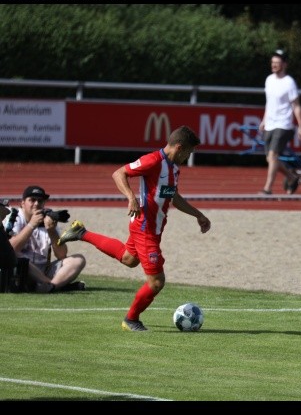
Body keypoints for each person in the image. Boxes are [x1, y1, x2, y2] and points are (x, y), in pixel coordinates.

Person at [58, 125, 212, 331]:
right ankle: (131, 319)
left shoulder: (174, 168)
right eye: (188, 152)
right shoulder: (153, 161)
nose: (188, 157)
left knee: (129, 259)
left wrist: (198, 215)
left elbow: (173, 197)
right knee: (157, 282)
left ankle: (81, 233)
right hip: (145, 228)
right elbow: (118, 173)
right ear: (179, 147)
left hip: (153, 229)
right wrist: (131, 197)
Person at [2, 186, 86, 293]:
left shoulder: (48, 218)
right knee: (18, 257)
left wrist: (52, 231)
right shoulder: (14, 216)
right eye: (32, 200)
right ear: (22, 203)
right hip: (20, 271)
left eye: (40, 201)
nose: (36, 204)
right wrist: (31, 225)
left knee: (79, 259)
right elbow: (10, 249)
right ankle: (52, 285)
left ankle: (51, 286)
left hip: (44, 270)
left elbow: (61, 255)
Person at [258, 49, 301, 195]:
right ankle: (291, 177)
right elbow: (269, 103)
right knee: (270, 158)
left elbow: (296, 106)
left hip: (284, 124)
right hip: (270, 123)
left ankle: (267, 188)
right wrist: (264, 120)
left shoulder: (289, 82)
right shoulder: (269, 80)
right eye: (273, 63)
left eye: (277, 63)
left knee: (273, 156)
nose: (274, 65)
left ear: (284, 64)